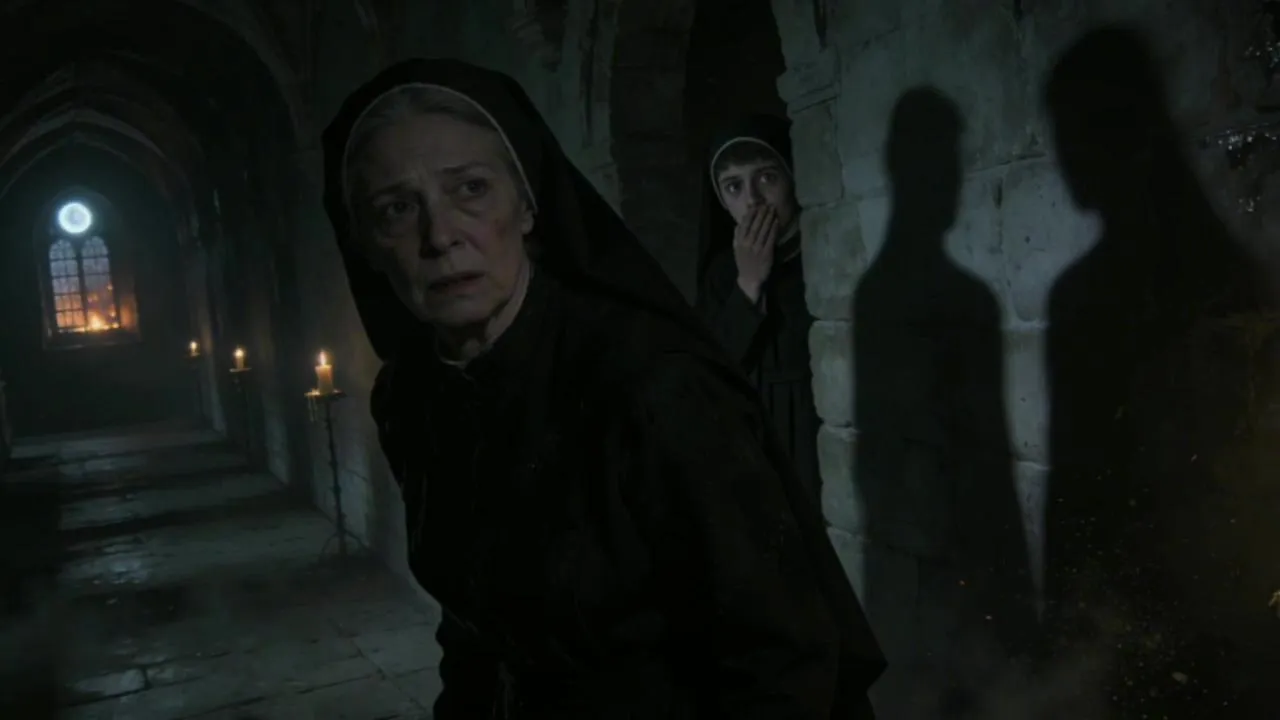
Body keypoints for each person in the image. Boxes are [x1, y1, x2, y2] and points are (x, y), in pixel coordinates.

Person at [322, 59, 885, 718]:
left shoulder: (651, 385)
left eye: (470, 189)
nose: (440, 235)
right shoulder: (411, 399)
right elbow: (474, 630)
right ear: (366, 242)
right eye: (396, 208)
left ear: (527, 204)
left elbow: (783, 661)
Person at [696, 116, 821, 502]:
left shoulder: (825, 250)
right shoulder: (721, 273)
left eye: (766, 177)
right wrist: (748, 284)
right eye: (734, 186)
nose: (752, 200)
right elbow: (713, 371)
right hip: (758, 441)